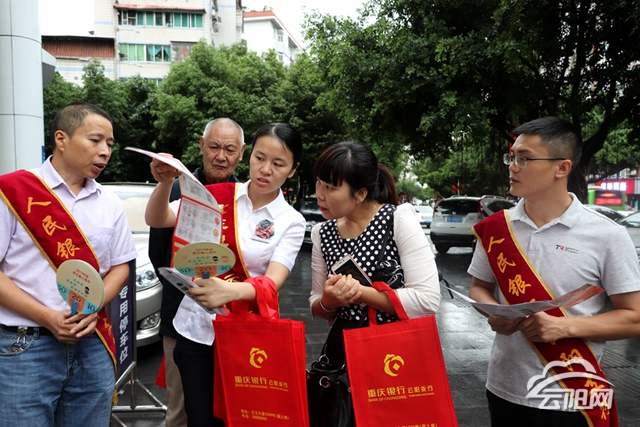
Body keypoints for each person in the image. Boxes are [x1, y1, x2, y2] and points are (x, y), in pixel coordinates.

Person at [467, 116, 640, 427]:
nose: (513, 167)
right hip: (504, 388)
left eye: (525, 158)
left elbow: (634, 317)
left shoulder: (607, 235)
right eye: (512, 157)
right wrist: (494, 311)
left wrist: (564, 327)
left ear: (562, 167)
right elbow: (479, 286)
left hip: (571, 398)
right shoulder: (496, 228)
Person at [145, 122, 305, 427]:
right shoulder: (216, 194)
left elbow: (273, 281)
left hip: (246, 335)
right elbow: (157, 217)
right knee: (199, 420)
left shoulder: (291, 221)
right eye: (260, 158)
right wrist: (165, 183)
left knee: (240, 420)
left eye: (278, 163)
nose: (265, 170)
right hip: (196, 331)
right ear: (249, 156)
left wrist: (230, 292)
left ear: (293, 170)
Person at [0, 102, 137, 426]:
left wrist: (93, 307)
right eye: (95, 140)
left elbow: (121, 266)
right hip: (25, 345)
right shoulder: (12, 191)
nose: (105, 152)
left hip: (92, 341)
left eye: (110, 144)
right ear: (61, 139)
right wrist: (47, 317)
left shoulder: (109, 202)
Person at [148, 118, 245, 427]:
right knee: (180, 410)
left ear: (242, 153)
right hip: (181, 317)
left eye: (230, 149)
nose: (221, 156)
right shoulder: (177, 188)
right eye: (214, 146)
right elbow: (158, 252)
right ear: (201, 146)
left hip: (233, 322)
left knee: (229, 407)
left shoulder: (245, 197)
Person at [309, 140, 441, 368]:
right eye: (319, 182)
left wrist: (358, 292)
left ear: (360, 193)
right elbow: (317, 303)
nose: (319, 194)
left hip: (394, 357)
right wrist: (328, 302)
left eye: (330, 187)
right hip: (343, 357)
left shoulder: (397, 220)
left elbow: (426, 300)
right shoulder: (322, 233)